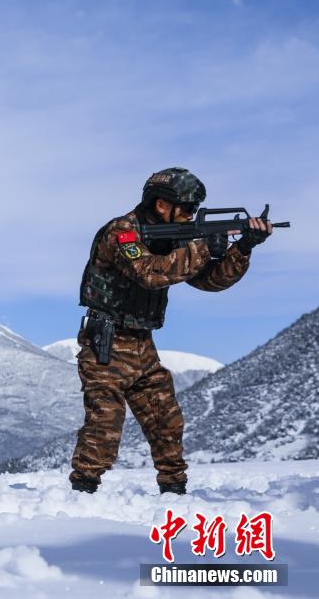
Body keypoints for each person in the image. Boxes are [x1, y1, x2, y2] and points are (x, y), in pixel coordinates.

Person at [70, 167, 274, 495]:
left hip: (142, 344)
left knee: (166, 420)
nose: (191, 215)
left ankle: (174, 492)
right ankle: (81, 493)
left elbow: (209, 281)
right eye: (188, 209)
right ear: (162, 205)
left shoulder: (173, 238)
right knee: (104, 426)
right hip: (106, 343)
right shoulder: (123, 231)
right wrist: (204, 246)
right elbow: (150, 274)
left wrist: (243, 248)